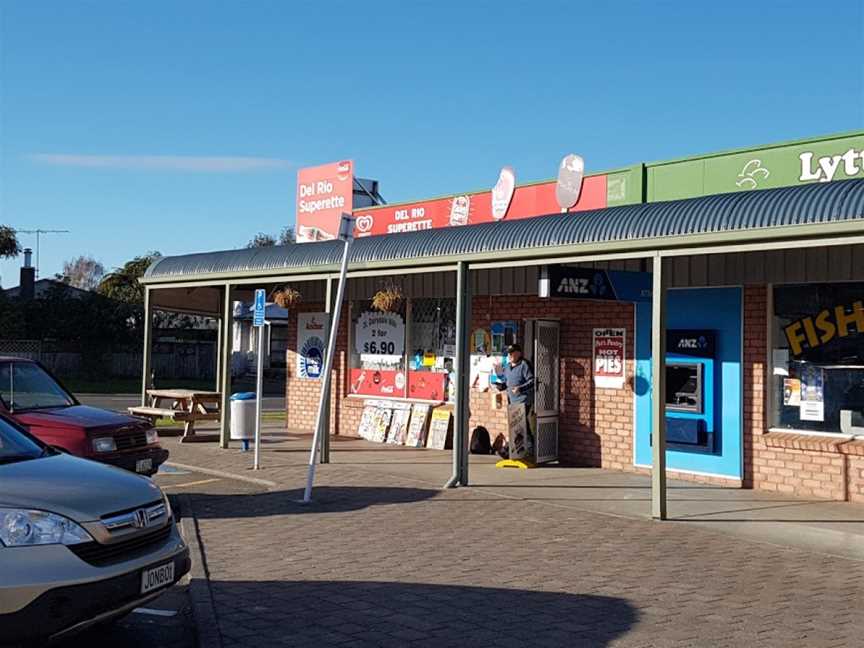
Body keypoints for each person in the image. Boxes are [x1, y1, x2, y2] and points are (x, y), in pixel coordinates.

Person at [494, 343, 535, 459]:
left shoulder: (524, 365)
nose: (510, 355)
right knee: (516, 426)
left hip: (523, 400)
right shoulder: (507, 367)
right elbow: (507, 383)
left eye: (512, 353)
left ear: (519, 353)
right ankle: (516, 450)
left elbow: (532, 381)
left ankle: (530, 449)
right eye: (509, 353)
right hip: (512, 401)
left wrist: (520, 388)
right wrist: (500, 386)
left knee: (522, 425)